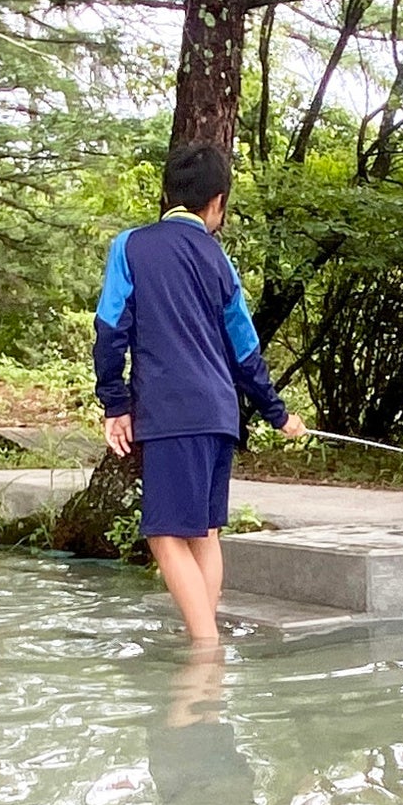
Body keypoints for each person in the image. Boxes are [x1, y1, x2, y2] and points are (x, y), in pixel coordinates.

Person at [93, 143, 293, 643]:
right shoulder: (220, 261)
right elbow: (244, 349)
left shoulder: (131, 246)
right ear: (217, 202)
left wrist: (115, 402)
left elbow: (110, 329)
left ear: (167, 194)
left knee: (164, 536)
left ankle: (206, 655)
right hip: (219, 414)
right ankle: (204, 648)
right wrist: (277, 412)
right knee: (204, 534)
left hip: (170, 412)